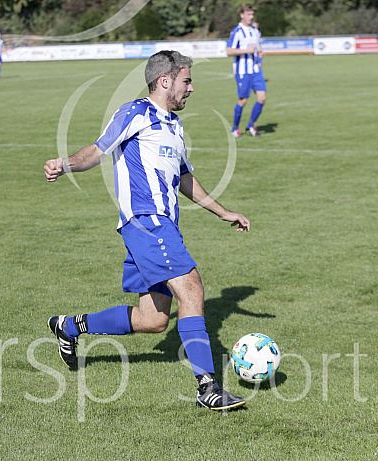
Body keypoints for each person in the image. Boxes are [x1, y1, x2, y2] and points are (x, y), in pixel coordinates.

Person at [44, 50, 251, 411]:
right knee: (193, 290)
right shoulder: (135, 112)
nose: (191, 88)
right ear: (164, 81)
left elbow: (184, 177)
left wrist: (222, 211)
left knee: (153, 320)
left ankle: (69, 326)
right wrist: (65, 164)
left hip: (162, 224)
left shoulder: (174, 124)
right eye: (186, 80)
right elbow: (97, 150)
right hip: (147, 220)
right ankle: (208, 389)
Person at [227, 4, 266, 138]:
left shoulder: (255, 31)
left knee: (262, 97)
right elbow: (229, 50)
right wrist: (246, 50)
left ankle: (251, 125)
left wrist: (260, 53)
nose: (251, 17)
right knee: (243, 100)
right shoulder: (237, 31)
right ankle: (235, 127)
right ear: (242, 15)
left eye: (252, 14)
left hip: (256, 70)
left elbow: (259, 46)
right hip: (243, 71)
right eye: (248, 14)